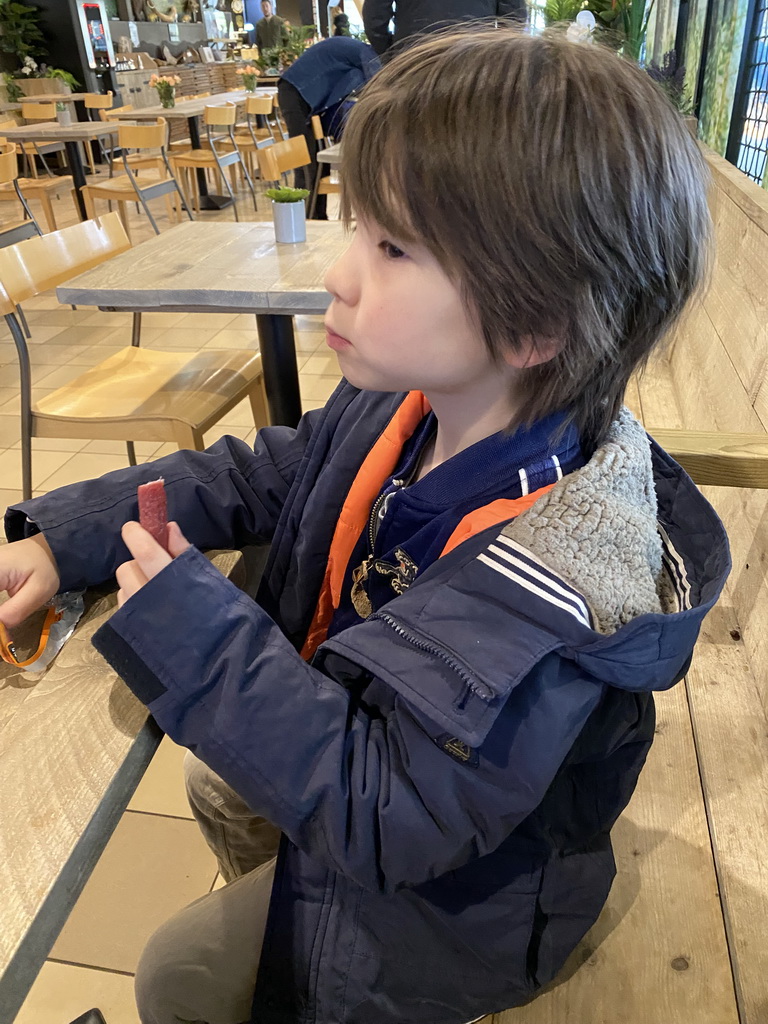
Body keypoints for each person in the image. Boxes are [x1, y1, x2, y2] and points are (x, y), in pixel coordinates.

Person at [0, 27, 728, 1024]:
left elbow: (393, 815)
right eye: (355, 224)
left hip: (468, 903)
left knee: (173, 974)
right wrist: (60, 535)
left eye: (391, 248)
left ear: (531, 324)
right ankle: (288, 914)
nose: (340, 274)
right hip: (367, 772)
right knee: (220, 789)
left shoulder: (553, 596)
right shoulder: (411, 405)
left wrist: (197, 632)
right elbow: (257, 475)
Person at [277, 34, 378, 218]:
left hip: (303, 95)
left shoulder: (356, 53)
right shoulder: (366, 53)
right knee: (307, 166)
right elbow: (380, 87)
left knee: (319, 165)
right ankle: (305, 223)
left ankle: (319, 218)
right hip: (294, 92)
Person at [363, 0, 527, 56]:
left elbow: (375, 16)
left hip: (415, 56)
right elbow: (513, 17)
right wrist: (497, 56)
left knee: (410, 128)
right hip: (475, 56)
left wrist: (391, 54)